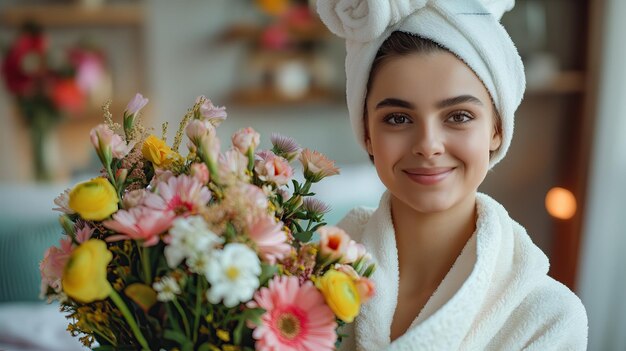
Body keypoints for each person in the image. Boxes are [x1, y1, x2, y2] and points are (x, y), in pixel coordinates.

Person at [317, 0, 588, 350]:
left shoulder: (548, 318)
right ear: (367, 133)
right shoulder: (307, 277)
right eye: (398, 118)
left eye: (458, 116)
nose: (428, 145)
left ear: (497, 128)